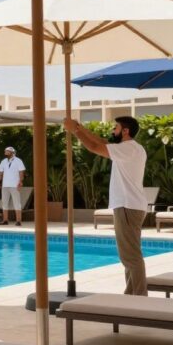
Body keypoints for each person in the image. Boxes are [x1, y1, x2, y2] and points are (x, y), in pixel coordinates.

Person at [64, 115, 148, 295]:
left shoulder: (128, 149)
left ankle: (140, 298)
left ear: (125, 131)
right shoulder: (131, 148)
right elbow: (101, 141)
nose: (113, 131)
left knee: (130, 256)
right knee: (130, 255)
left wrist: (75, 131)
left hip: (127, 206)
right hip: (130, 206)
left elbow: (95, 147)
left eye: (116, 128)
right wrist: (80, 127)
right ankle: (132, 295)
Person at [0, 146, 26, 226]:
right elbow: (1, 173)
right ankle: (5, 220)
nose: (5, 152)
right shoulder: (3, 161)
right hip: (5, 185)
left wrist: (20, 181)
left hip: (14, 185)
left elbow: (21, 172)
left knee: (17, 202)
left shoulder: (18, 161)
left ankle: (18, 221)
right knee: (4, 202)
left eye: (7, 151)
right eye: (5, 151)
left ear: (12, 152)